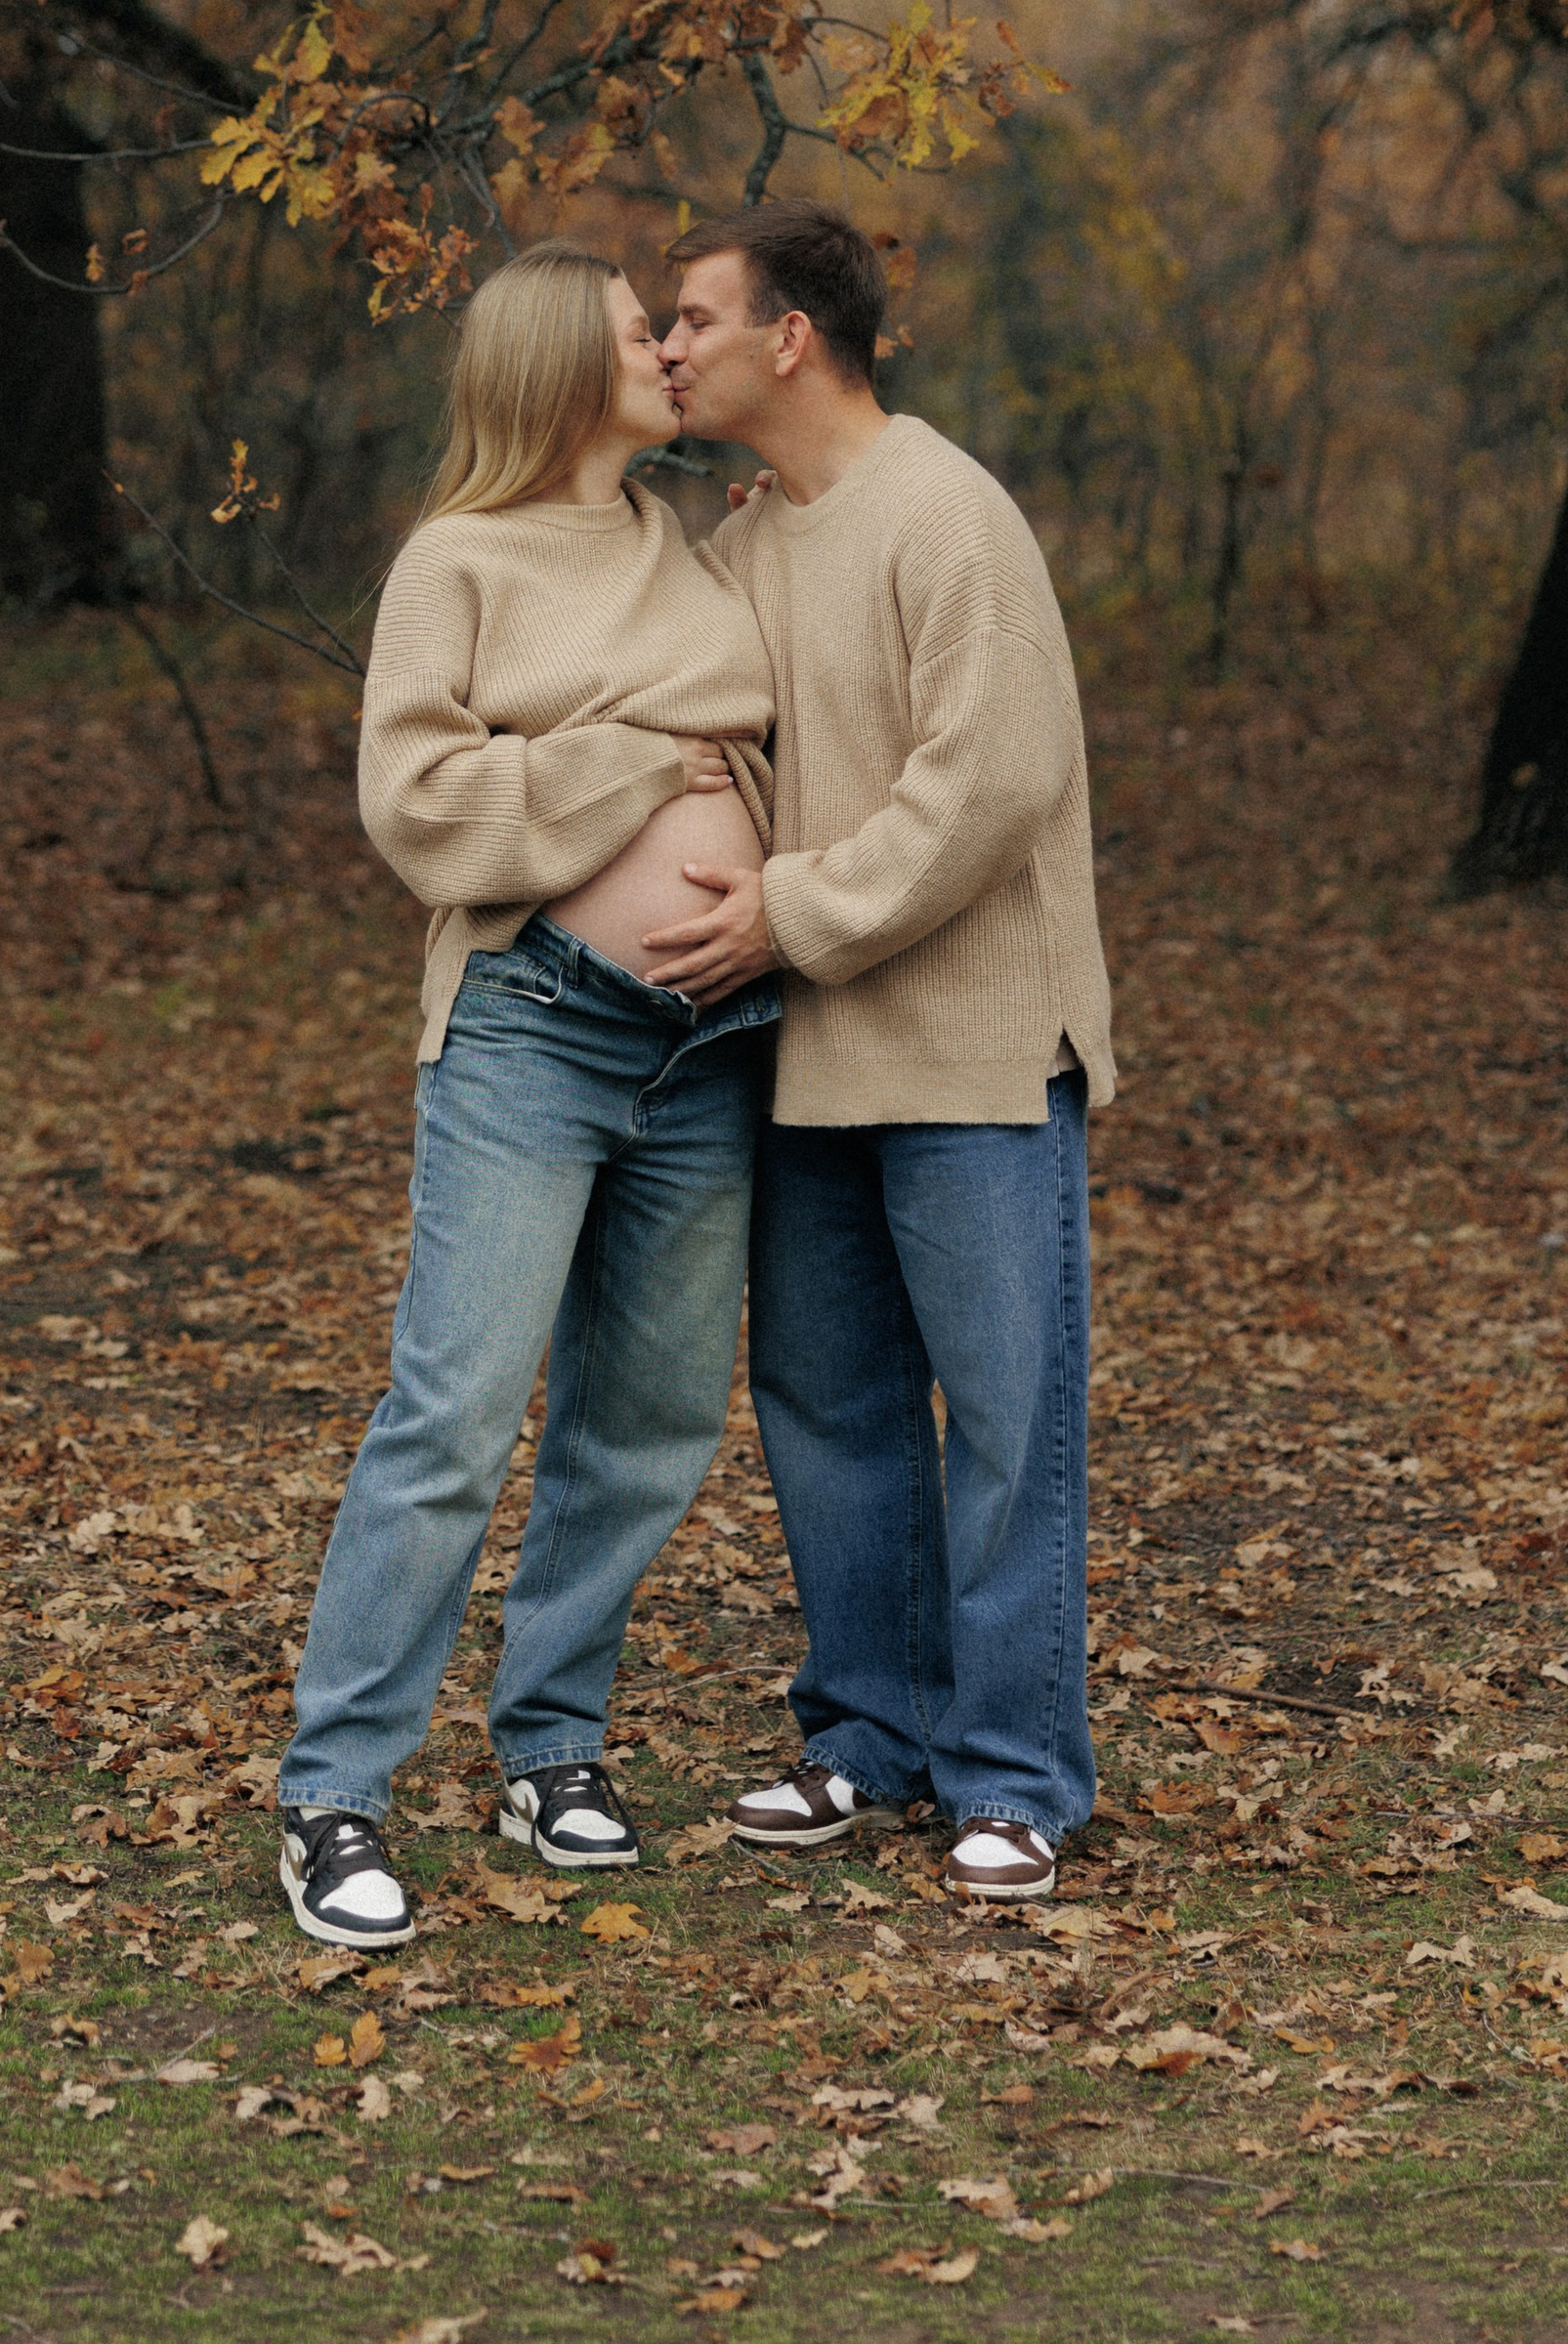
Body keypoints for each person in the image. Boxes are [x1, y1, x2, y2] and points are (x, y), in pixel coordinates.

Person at [275, 241, 781, 1949]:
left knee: (645, 1424)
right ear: (563, 364)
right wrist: (637, 756)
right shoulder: (459, 563)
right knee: (455, 1417)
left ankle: (553, 1746)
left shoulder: (695, 548)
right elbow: (417, 801)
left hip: (715, 1042)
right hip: (534, 1029)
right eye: (644, 333)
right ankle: (335, 1791)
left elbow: (772, 737)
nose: (669, 352)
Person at [647, 199, 1117, 1905]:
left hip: (980, 1054)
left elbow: (984, 790)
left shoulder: (950, 515)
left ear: (791, 337)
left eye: (692, 318)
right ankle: (870, 1737)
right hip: (807, 1059)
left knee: (1005, 1421)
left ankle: (1015, 1778)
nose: (668, 346)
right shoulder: (738, 550)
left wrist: (785, 912)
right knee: (832, 1410)